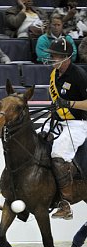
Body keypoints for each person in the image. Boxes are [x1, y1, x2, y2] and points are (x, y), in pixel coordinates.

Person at [45, 38, 87, 220]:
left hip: (77, 124)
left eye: (55, 55)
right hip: (57, 121)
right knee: (37, 142)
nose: (52, 58)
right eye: (52, 55)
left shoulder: (79, 75)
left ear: (66, 57)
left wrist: (69, 103)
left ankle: (65, 203)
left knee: (59, 155)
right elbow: (55, 100)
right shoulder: (54, 74)